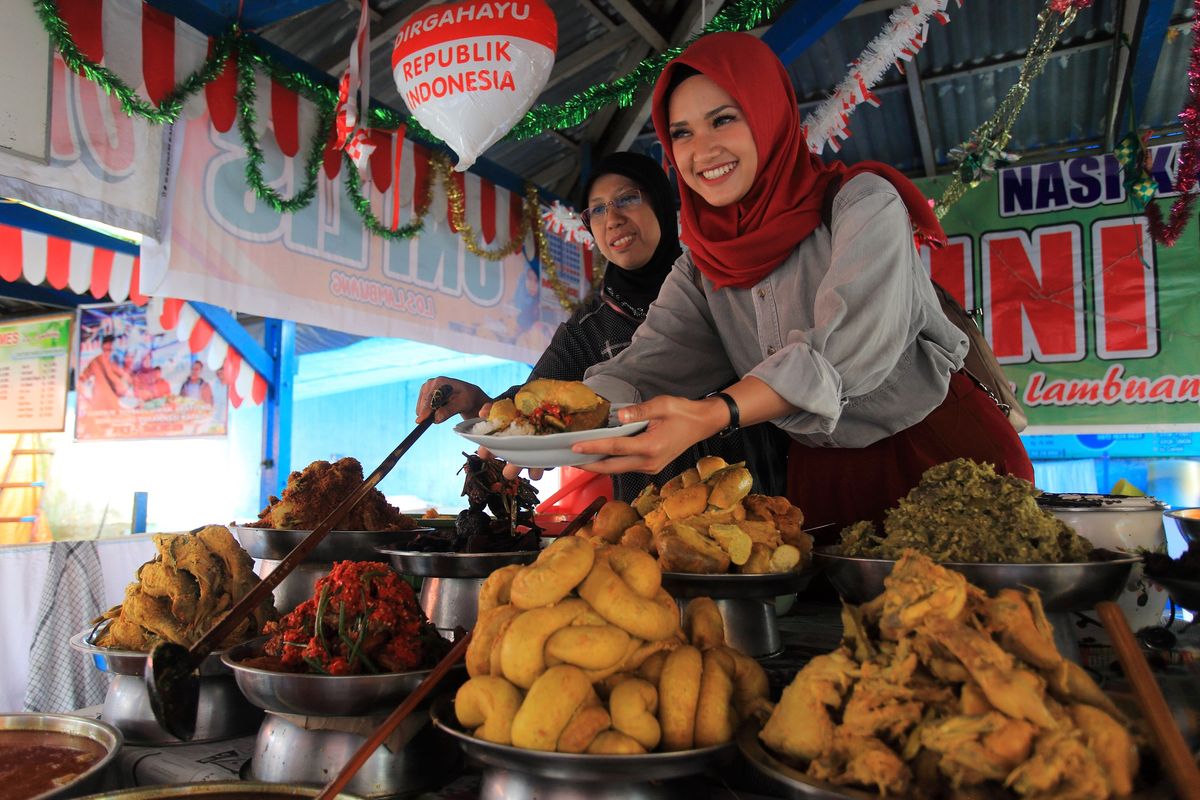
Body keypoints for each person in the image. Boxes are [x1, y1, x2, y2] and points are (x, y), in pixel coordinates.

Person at [567, 33, 1033, 537]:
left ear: (768, 114)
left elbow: (849, 350)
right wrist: (548, 425)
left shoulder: (861, 203)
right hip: (822, 478)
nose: (702, 151)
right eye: (681, 134)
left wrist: (714, 413)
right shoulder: (703, 268)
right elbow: (648, 365)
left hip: (939, 452)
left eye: (723, 119)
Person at [416, 151, 786, 502]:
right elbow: (538, 405)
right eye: (597, 209)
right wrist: (481, 405)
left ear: (660, 202)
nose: (612, 219)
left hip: (754, 490)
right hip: (645, 518)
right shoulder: (589, 327)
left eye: (627, 199)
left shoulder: (722, 286)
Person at [78, 334, 133, 412]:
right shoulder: (96, 362)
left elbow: (128, 379)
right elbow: (81, 379)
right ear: (102, 348)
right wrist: (85, 398)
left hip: (115, 404)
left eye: (110, 350)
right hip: (99, 403)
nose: (107, 353)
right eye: (105, 349)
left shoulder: (117, 361)